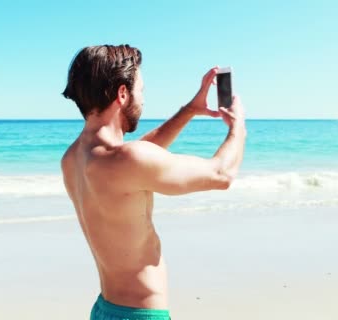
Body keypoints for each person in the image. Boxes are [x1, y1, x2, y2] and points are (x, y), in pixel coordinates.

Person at [61, 44, 246, 320]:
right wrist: (239, 127)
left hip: (104, 309)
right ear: (123, 94)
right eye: (141, 91)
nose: (143, 100)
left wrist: (189, 110)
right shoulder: (127, 160)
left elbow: (139, 156)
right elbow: (221, 175)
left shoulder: (74, 158)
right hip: (140, 315)